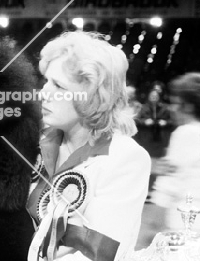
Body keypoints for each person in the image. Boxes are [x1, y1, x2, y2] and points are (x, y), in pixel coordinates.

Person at [27, 31, 151, 261]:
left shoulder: (126, 158)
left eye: (59, 86)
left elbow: (97, 255)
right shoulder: (33, 141)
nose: (43, 92)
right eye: (46, 81)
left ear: (92, 96)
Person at [149, 72, 200, 233]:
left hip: (183, 224)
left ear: (188, 106)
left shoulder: (185, 133)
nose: (171, 108)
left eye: (175, 102)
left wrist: (155, 223)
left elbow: (168, 185)